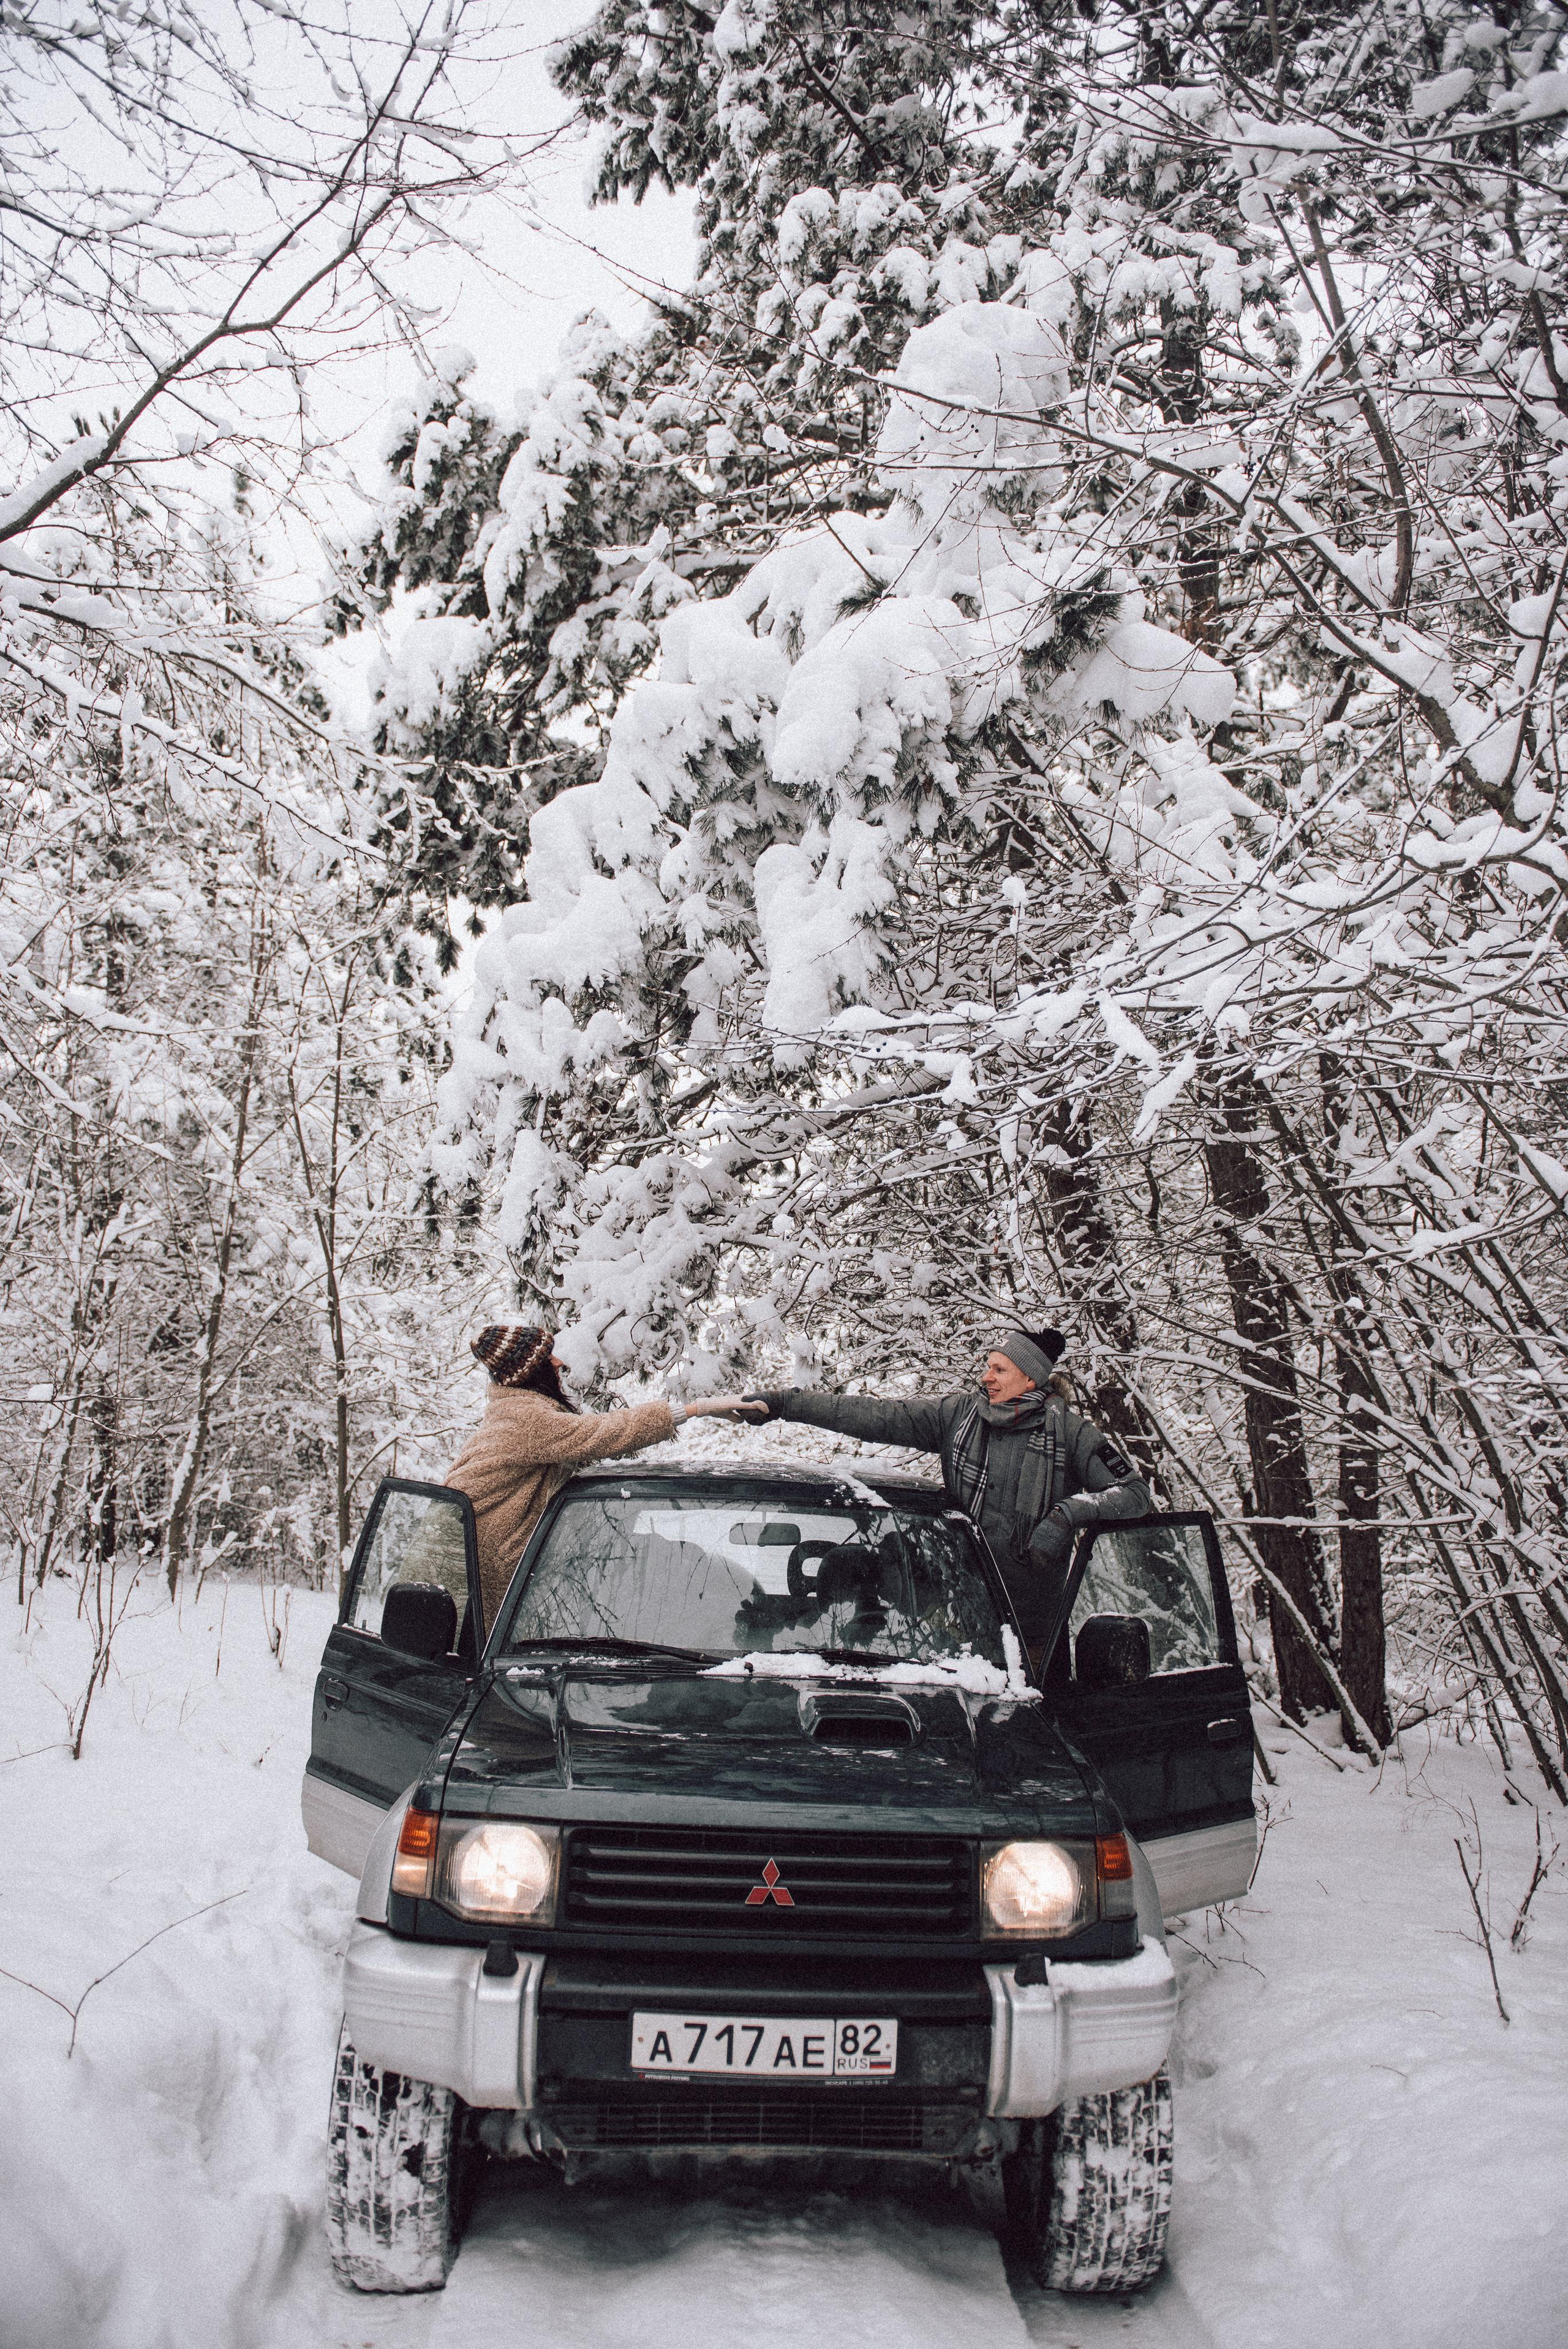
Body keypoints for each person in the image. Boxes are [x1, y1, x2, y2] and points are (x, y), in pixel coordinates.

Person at [742, 1330, 1151, 1645]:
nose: (985, 1377)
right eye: (987, 1366)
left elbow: (1133, 1492)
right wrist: (784, 1405)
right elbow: (875, 1416)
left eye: (999, 1370)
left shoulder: (1070, 1435)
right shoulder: (958, 1417)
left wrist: (1066, 1515)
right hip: (960, 1623)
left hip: (1034, 1638)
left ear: (1031, 1379)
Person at [445, 1324, 762, 1631]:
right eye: (547, 1358)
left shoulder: (515, 1413)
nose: (559, 1363)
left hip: (474, 1561)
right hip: (470, 1569)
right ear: (530, 1374)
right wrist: (695, 1409)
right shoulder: (525, 1421)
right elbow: (604, 1433)